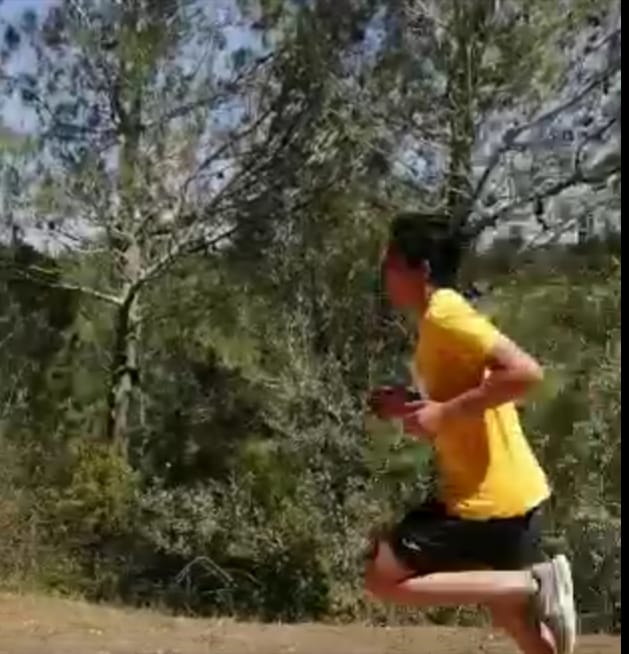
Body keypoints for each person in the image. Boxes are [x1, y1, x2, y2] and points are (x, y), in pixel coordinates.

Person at [365, 213, 576, 654]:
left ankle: (535, 583)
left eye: (391, 264)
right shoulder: (437, 318)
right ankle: (529, 586)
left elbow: (524, 372)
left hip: (488, 499)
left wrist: (442, 413)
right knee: (515, 621)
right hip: (511, 493)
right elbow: (468, 398)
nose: (384, 274)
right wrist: (412, 405)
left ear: (421, 269)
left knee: (384, 577)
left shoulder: (445, 312)